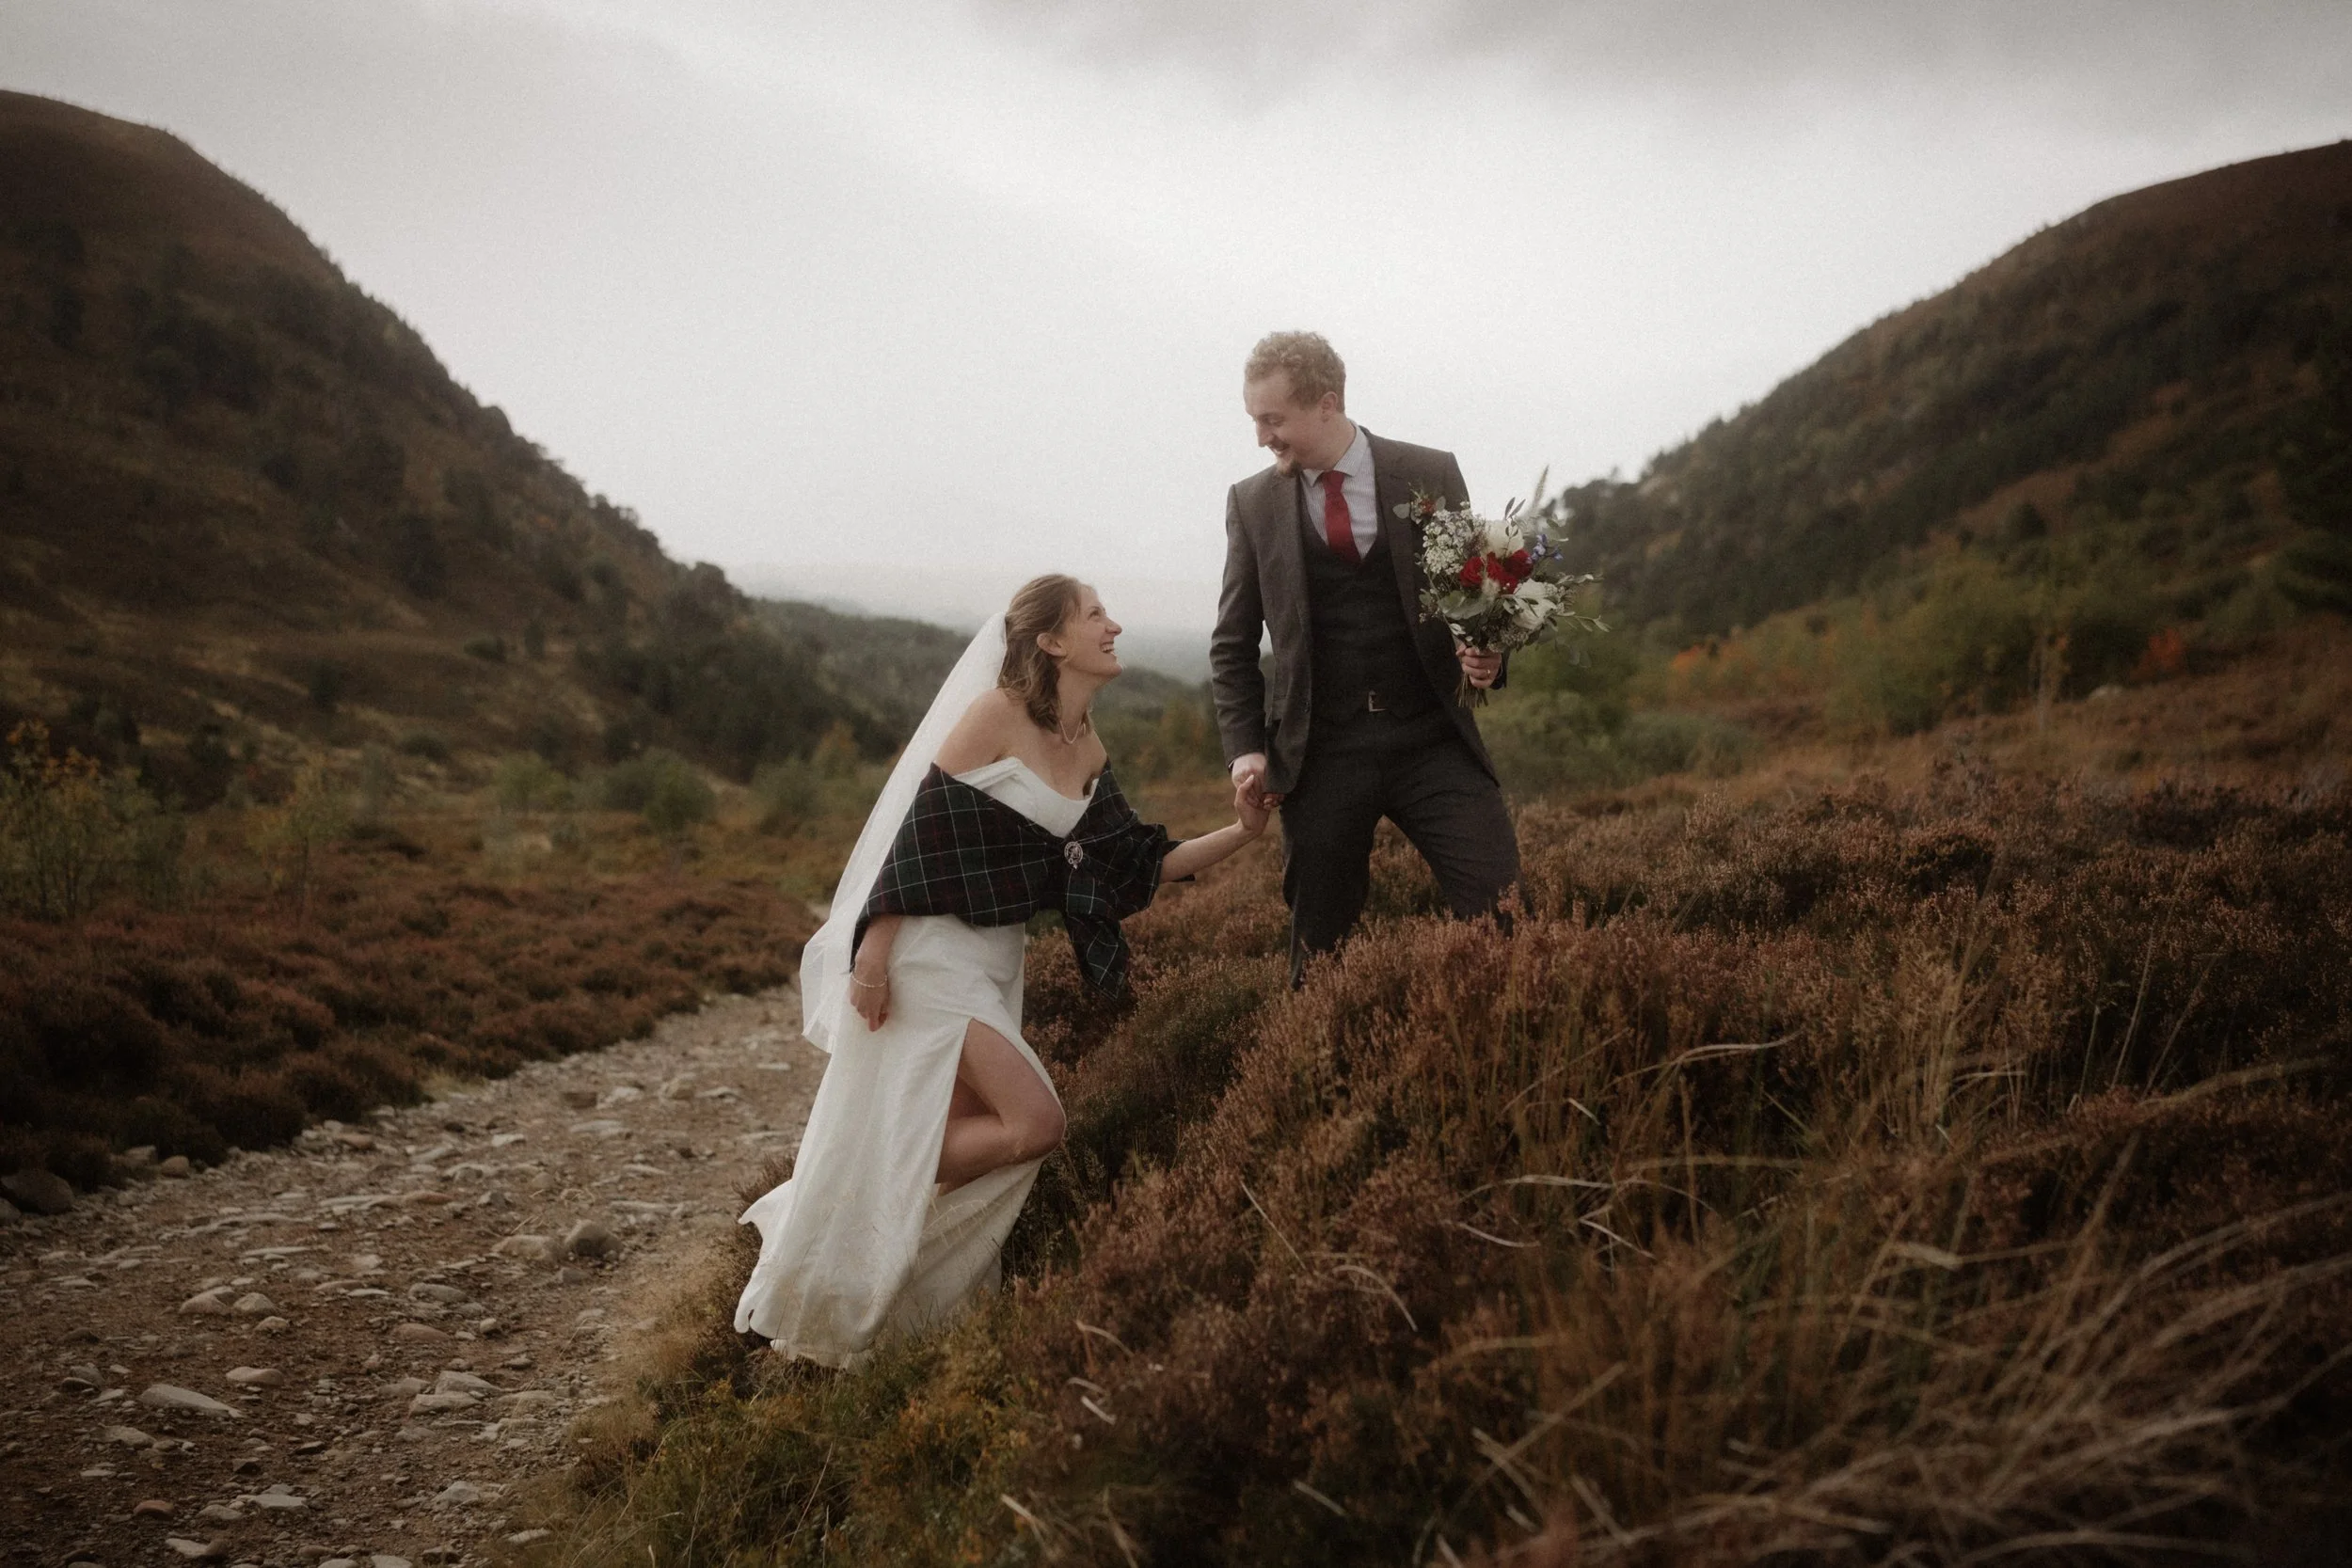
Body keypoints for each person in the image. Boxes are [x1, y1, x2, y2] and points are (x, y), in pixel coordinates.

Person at [734, 575, 1269, 1366]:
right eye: (1096, 615)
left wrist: (1245, 831)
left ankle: (884, 1305)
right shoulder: (993, 715)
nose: (1114, 625)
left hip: (993, 964)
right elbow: (915, 842)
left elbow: (1142, 863)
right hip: (928, 954)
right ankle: (864, 1185)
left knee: (945, 1139)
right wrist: (873, 956)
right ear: (1051, 641)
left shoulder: (1086, 745)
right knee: (1036, 1123)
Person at [1212, 330, 1519, 985]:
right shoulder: (1252, 503)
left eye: (1273, 420)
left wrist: (1488, 657)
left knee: (1506, 916)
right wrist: (1247, 750)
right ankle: (1313, 1081)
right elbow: (1232, 644)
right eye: (1255, 421)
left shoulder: (1431, 471)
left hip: (1433, 740)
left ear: (1326, 404)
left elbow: (1474, 598)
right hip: (1322, 753)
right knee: (1319, 955)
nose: (1263, 437)